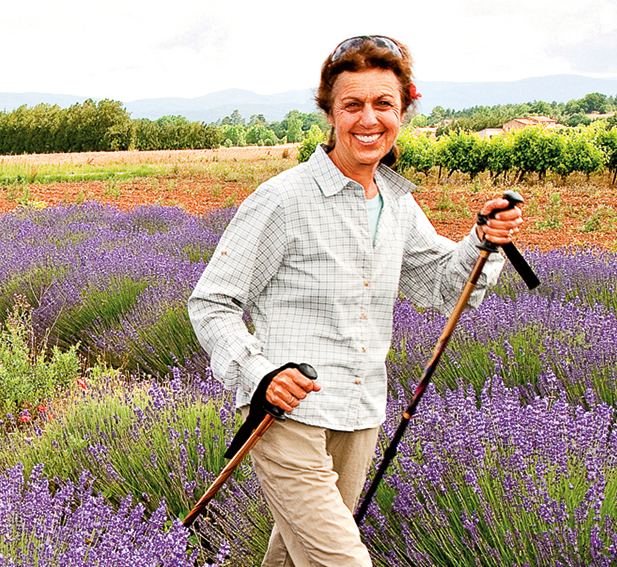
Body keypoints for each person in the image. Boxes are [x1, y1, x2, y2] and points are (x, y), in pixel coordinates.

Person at [187, 35, 525, 567]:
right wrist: (259, 373)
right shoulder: (283, 199)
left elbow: (437, 283)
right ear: (330, 112)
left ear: (404, 109)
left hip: (360, 413)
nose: (369, 119)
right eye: (353, 105)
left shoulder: (396, 201)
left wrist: (483, 242)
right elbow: (212, 302)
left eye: (383, 104)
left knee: (297, 556)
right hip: (286, 417)